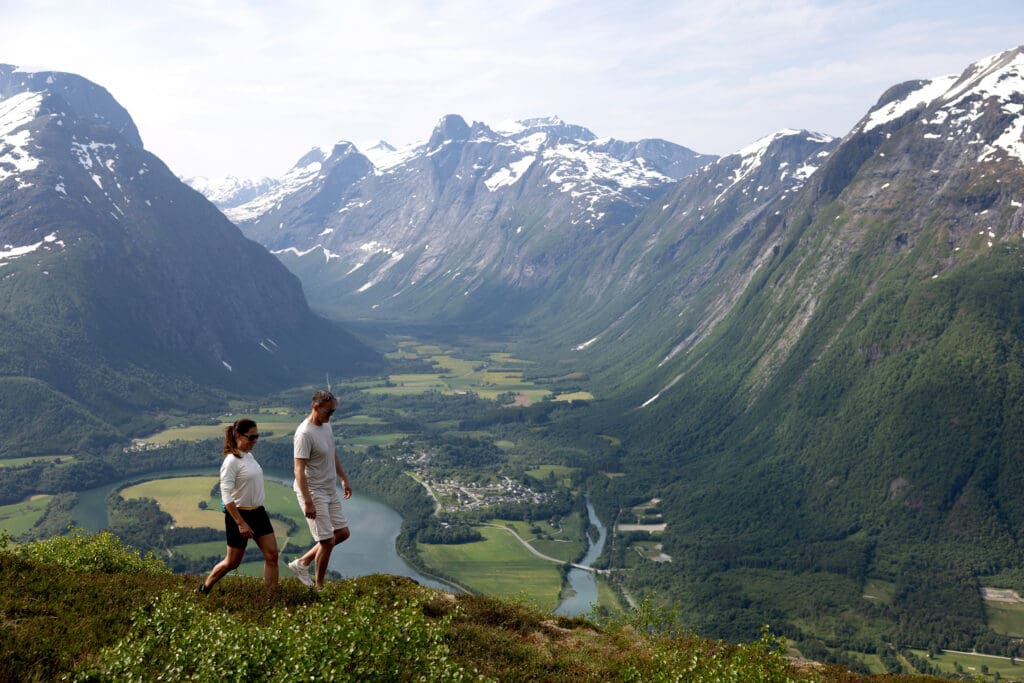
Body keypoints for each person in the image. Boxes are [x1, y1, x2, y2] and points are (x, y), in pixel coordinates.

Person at [197, 418, 280, 594]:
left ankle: (272, 599)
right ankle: (205, 588)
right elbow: (226, 494)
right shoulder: (231, 462)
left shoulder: (249, 456)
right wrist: (240, 522)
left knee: (272, 555)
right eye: (251, 437)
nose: (255, 441)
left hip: (258, 513)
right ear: (237, 436)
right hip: (239, 515)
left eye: (257, 436)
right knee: (232, 562)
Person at [287, 389, 352, 589]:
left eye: (333, 412)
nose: (331, 415)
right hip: (313, 491)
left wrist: (343, 478)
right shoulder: (304, 434)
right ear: (316, 407)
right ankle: (320, 586)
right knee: (327, 541)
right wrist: (307, 501)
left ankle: (302, 563)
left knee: (342, 533)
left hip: (329, 489)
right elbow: (299, 469)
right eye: (328, 412)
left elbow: (333, 454)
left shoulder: (326, 426)